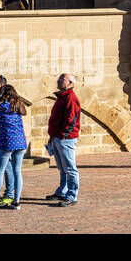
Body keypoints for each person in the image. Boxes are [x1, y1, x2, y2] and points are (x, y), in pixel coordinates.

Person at [46, 73, 81, 206]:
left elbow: (71, 119)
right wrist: (52, 136)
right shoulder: (62, 97)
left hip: (65, 138)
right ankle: (62, 191)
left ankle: (71, 195)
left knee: (70, 168)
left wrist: (63, 135)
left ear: (70, 83)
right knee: (62, 168)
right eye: (59, 79)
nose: (59, 81)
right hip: (57, 137)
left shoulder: (70, 98)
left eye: (62, 79)